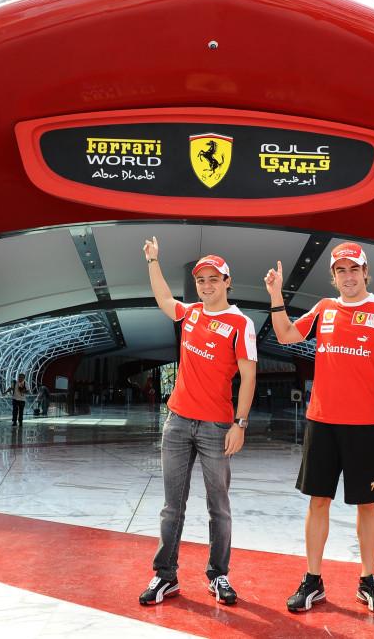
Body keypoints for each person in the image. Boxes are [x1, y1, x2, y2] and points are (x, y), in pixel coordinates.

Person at [264, 242, 374, 615]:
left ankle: (367, 581)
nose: (348, 276)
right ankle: (312, 580)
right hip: (322, 422)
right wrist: (276, 296)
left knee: (367, 504)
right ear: (334, 276)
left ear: (366, 272)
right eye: (341, 270)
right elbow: (285, 335)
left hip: (364, 426)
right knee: (318, 501)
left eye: (354, 269)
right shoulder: (324, 309)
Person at [139, 236, 257, 607]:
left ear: (227, 282)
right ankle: (165, 576)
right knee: (172, 506)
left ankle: (218, 575)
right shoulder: (190, 314)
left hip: (217, 428)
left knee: (218, 506)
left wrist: (241, 423)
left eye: (213, 279)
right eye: (201, 280)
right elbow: (163, 300)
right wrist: (153, 261)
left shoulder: (240, 323)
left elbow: (249, 376)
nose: (207, 286)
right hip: (177, 422)